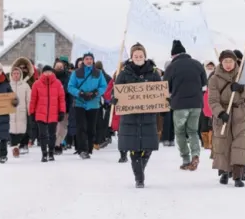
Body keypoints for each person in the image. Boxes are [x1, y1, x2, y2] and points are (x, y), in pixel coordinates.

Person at [112, 43, 161, 188]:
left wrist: (164, 101)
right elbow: (115, 91)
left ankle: (139, 170)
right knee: (134, 149)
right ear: (131, 57)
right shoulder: (124, 73)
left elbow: (160, 92)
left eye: (140, 56)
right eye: (135, 56)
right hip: (130, 118)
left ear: (145, 57)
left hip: (148, 117)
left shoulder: (153, 73)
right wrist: (114, 98)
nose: (138, 58)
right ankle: (139, 178)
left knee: (148, 148)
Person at [208, 50, 245, 187]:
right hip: (224, 114)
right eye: (225, 61)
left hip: (240, 113)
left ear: (235, 61)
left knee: (241, 143)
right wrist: (220, 112)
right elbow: (212, 100)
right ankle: (224, 172)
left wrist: (242, 89)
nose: (228, 64)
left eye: (231, 61)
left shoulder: (243, 75)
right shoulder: (214, 78)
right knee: (223, 143)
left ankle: (238, 175)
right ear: (221, 62)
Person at [164, 39, 208, 171]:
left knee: (180, 132)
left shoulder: (171, 67)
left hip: (179, 105)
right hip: (196, 104)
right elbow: (204, 84)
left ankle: (186, 159)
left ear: (173, 55)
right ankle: (195, 154)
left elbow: (166, 87)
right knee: (193, 131)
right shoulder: (198, 64)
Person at [67, 53, 107, 159]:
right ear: (83, 61)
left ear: (93, 61)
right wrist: (79, 93)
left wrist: (96, 93)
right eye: (86, 59)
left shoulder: (98, 73)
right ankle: (82, 149)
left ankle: (89, 148)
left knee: (91, 128)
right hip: (80, 102)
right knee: (81, 127)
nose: (88, 61)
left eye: (90, 59)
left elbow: (104, 86)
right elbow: (70, 87)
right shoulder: (76, 73)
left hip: (93, 103)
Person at [29, 65, 67, 162]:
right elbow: (33, 100)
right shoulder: (36, 84)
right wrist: (32, 112)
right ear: (42, 73)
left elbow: (61, 99)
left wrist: (62, 111)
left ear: (52, 72)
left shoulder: (58, 83)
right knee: (42, 135)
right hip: (40, 113)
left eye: (49, 72)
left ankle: (51, 152)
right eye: (46, 72)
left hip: (53, 113)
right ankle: (44, 153)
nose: (48, 74)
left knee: (52, 134)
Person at [9, 67, 31, 157]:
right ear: (11, 75)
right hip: (10, 111)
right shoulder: (8, 85)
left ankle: (20, 145)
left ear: (21, 75)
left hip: (22, 111)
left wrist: (29, 109)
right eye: (14, 73)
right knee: (11, 130)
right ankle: (15, 148)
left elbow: (29, 99)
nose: (16, 75)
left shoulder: (25, 86)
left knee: (22, 130)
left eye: (18, 73)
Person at [53, 59, 71, 154]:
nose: (59, 69)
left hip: (65, 105)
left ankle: (58, 143)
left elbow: (69, 89)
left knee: (63, 127)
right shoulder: (51, 77)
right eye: (57, 67)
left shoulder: (68, 77)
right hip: (53, 105)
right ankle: (55, 144)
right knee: (54, 126)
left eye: (61, 67)